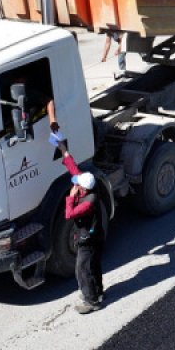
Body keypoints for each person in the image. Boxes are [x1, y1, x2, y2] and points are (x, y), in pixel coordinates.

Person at [54, 132, 105, 313]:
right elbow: (74, 170)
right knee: (94, 265)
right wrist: (63, 149)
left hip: (87, 240)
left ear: (82, 189)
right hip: (97, 234)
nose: (75, 186)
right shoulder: (93, 186)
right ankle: (98, 292)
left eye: (77, 186)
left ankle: (92, 301)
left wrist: (70, 197)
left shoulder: (86, 204)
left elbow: (69, 215)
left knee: (83, 269)